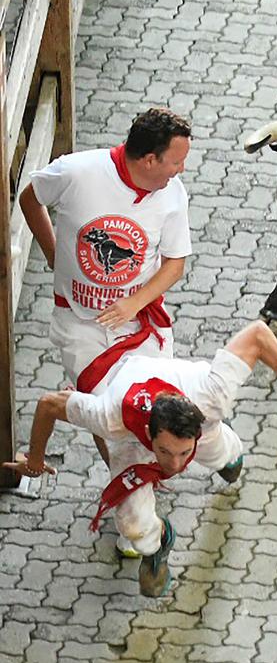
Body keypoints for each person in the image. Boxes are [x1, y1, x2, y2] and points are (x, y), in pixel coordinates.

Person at [3, 320, 277, 597]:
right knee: (131, 521)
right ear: (150, 433)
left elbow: (258, 334)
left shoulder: (212, 396)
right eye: (166, 453)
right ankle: (158, 543)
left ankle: (228, 455)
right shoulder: (110, 417)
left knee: (221, 454)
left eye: (184, 453)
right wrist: (35, 460)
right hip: (132, 442)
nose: (174, 466)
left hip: (203, 423)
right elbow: (48, 404)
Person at [20, 107, 192, 471]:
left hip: (139, 322)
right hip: (80, 323)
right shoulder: (75, 172)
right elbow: (30, 198)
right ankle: (125, 477)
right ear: (149, 160)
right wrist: (52, 253)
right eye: (176, 161)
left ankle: (179, 462)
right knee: (106, 406)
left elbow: (174, 264)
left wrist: (133, 303)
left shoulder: (173, 195)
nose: (181, 170)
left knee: (150, 408)